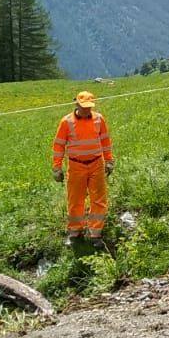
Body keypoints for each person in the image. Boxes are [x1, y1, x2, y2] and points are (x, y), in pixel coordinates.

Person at [52, 90, 113, 243]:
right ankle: (75, 232)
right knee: (75, 199)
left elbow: (105, 141)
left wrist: (109, 161)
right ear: (77, 104)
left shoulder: (99, 119)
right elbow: (59, 145)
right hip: (76, 166)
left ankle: (95, 233)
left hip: (96, 164)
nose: (87, 110)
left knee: (98, 199)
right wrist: (57, 167)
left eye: (89, 107)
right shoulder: (66, 122)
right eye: (84, 106)